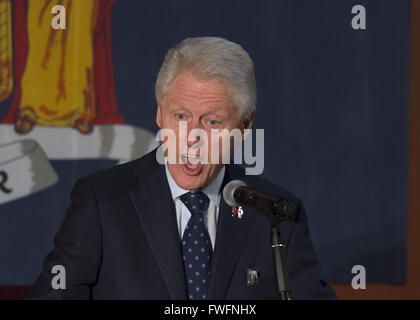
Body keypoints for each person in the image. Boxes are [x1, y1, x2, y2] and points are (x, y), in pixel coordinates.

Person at [27, 37, 336, 299]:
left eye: (212, 121)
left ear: (244, 125)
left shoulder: (276, 213)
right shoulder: (102, 201)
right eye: (180, 117)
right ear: (160, 114)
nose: (192, 138)